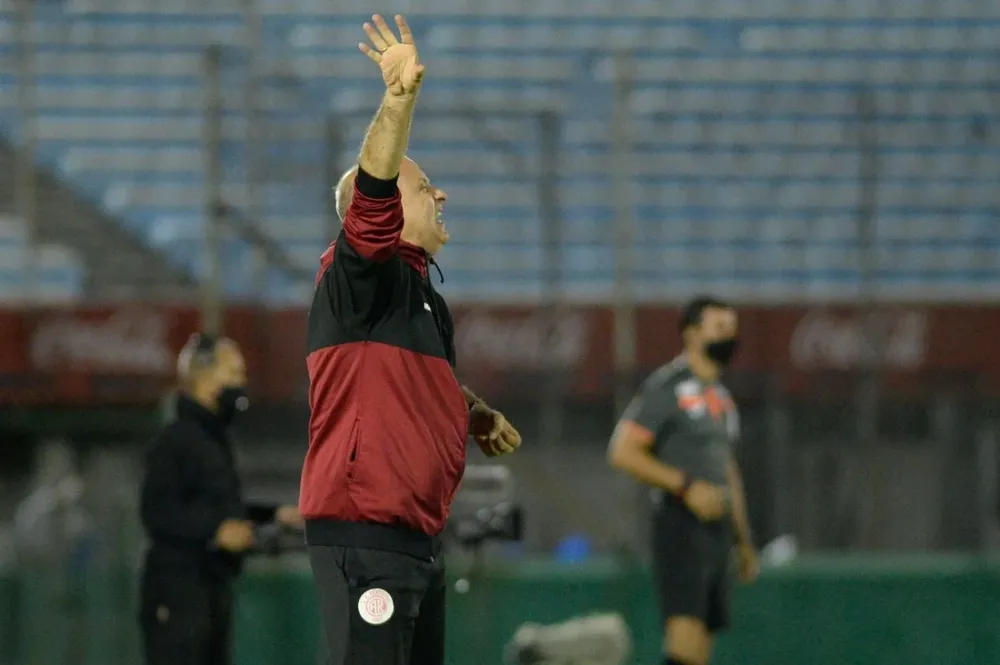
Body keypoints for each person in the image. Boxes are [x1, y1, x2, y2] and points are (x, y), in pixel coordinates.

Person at [300, 14, 522, 665]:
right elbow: (371, 193)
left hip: (413, 536)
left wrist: (471, 410)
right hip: (365, 531)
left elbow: (418, 384)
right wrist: (397, 101)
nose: (441, 192)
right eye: (425, 186)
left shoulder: (422, 294)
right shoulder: (359, 273)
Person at [607, 296, 758, 665]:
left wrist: (743, 539)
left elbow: (729, 472)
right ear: (692, 335)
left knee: (701, 647)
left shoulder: (722, 400)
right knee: (684, 642)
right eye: (720, 328)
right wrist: (685, 486)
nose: (730, 337)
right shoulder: (668, 387)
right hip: (682, 526)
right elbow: (623, 451)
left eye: (732, 329)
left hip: (718, 533)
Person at [138, 333, 302, 665]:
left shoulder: (213, 439)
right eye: (233, 374)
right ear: (202, 377)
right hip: (178, 591)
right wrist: (216, 531)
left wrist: (273, 515)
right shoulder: (175, 439)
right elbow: (157, 512)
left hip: (212, 587)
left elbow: (221, 510)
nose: (240, 384)